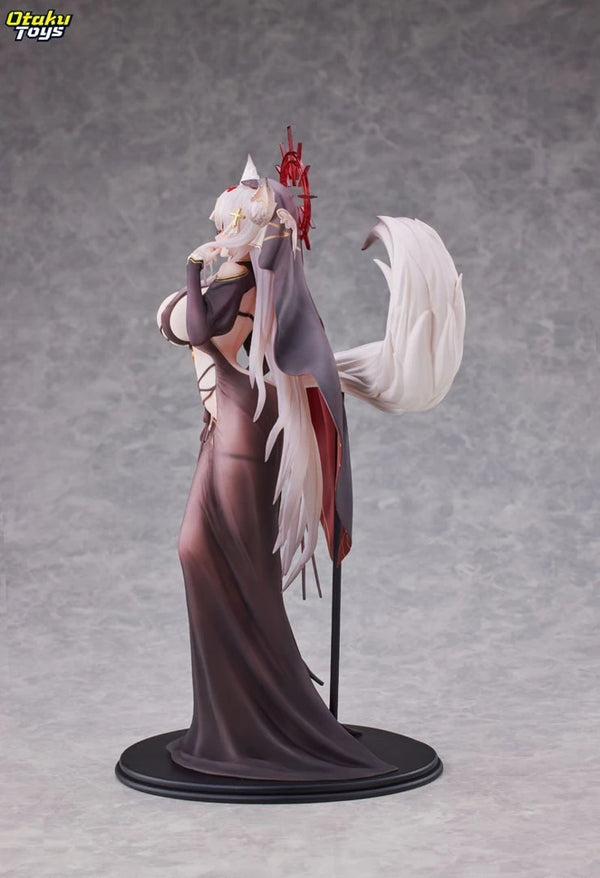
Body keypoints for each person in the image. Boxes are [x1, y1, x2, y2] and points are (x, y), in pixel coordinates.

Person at [156, 154, 465, 781]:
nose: (222, 230)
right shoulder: (237, 276)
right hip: (222, 419)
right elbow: (188, 328)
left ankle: (265, 720)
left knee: (223, 558)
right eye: (223, 220)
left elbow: (197, 327)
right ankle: (230, 722)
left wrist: (193, 267)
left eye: (234, 221)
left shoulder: (250, 284)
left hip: (241, 421)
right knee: (198, 551)